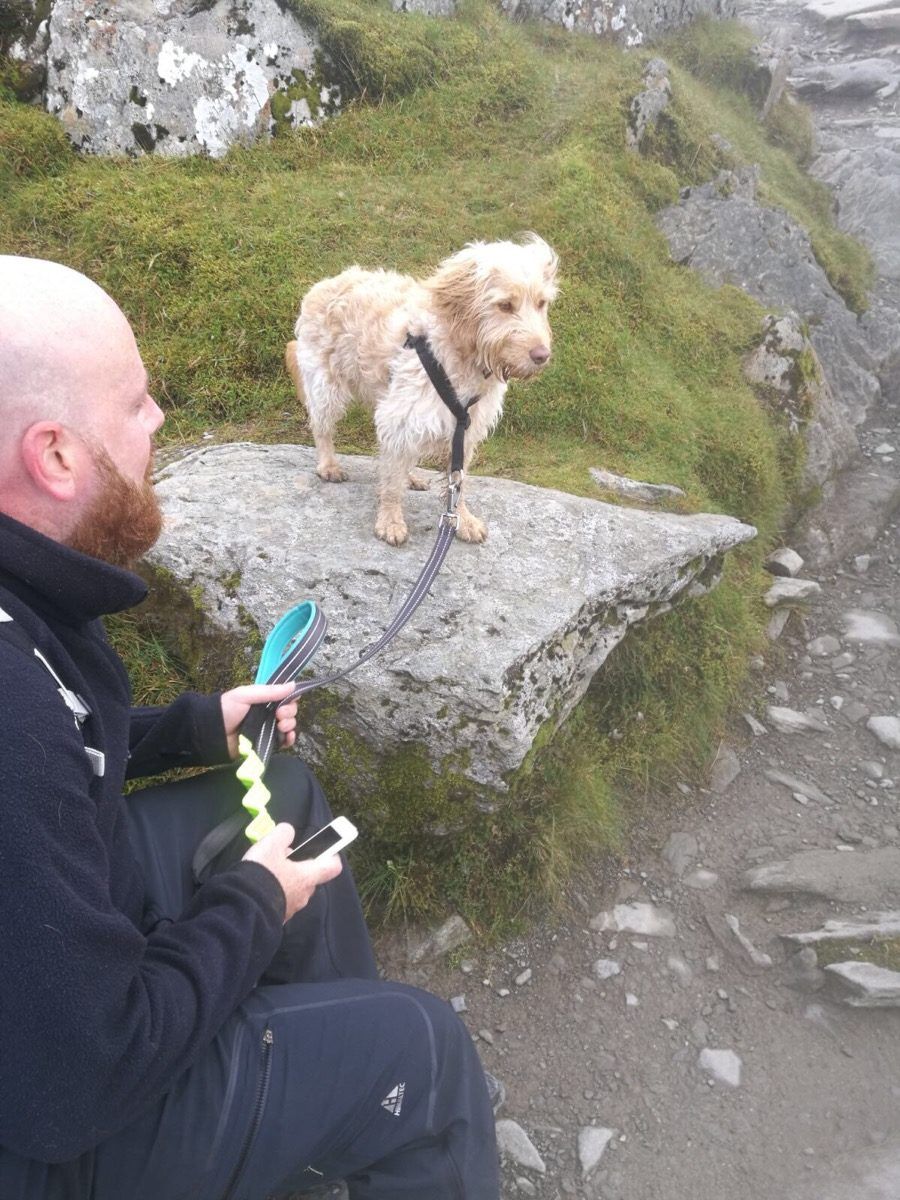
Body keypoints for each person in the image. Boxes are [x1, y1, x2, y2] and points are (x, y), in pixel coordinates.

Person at [0, 255, 501, 1200]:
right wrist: (253, 906)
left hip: (62, 945)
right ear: (54, 454)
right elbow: (79, 1076)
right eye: (136, 403)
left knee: (291, 802)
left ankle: (306, 1090)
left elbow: (54, 746)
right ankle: (356, 1084)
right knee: (426, 1055)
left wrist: (197, 726)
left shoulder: (22, 613)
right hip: (58, 1133)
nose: (158, 423)